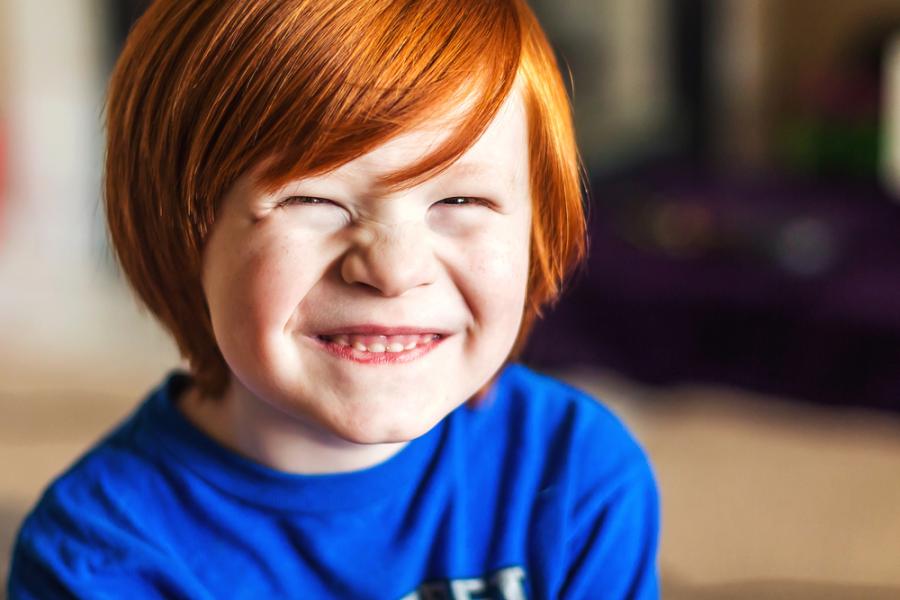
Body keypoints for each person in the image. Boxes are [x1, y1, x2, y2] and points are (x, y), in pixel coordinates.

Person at [8, 0, 660, 598]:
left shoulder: (573, 478)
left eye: (461, 199)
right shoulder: (97, 557)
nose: (393, 270)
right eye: (312, 199)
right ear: (180, 232)